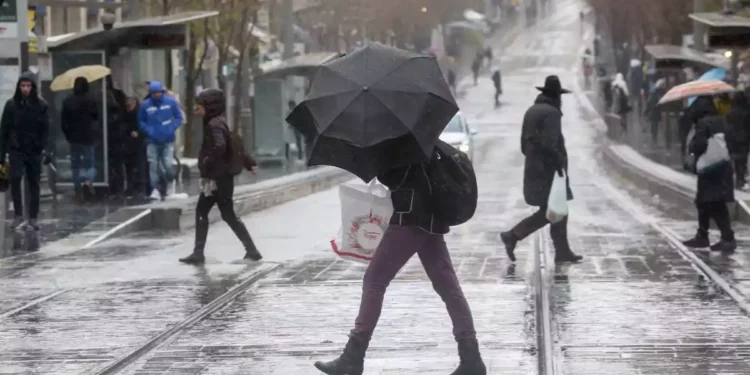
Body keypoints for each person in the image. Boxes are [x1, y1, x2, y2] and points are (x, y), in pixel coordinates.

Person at [313, 162, 487, 375]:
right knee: (449, 288)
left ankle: (353, 356)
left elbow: (397, 178)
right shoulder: (426, 143)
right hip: (431, 221)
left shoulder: (404, 147)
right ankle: (471, 358)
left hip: (409, 220)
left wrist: (380, 166)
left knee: (374, 281)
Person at [499, 76, 583, 264]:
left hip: (534, 170)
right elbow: (550, 144)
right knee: (554, 211)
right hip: (548, 172)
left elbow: (524, 145)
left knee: (557, 211)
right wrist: (559, 163)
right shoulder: (552, 114)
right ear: (556, 96)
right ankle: (513, 235)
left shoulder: (532, 111)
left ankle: (562, 252)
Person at [179, 88, 262, 264]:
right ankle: (200, 252)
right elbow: (235, 145)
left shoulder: (214, 124)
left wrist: (207, 161)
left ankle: (250, 251)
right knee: (218, 212)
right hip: (219, 177)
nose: (197, 110)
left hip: (218, 178)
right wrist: (249, 162)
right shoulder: (218, 121)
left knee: (217, 212)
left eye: (199, 106)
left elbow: (221, 145)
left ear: (209, 106)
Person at [682, 96, 736, 253]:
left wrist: (692, 146)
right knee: (705, 202)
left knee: (713, 203)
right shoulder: (722, 121)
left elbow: (700, 145)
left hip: (709, 169)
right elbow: (730, 142)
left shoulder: (702, 123)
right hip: (723, 166)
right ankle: (703, 235)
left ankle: (727, 238)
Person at [0, 72, 51, 230]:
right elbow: (4, 131)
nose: (25, 89)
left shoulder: (41, 106)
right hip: (16, 148)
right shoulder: (11, 105)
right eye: (23, 86)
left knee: (33, 182)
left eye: (28, 86)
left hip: (34, 149)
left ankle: (33, 217)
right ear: (18, 87)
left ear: (33, 87)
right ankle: (18, 214)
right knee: (15, 179)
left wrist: (46, 149)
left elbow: (46, 130)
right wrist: (1, 156)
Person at [138, 81, 183, 200]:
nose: (156, 95)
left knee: (167, 164)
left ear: (162, 92)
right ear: (151, 94)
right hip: (152, 140)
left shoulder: (170, 102)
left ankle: (170, 185)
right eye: (154, 93)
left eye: (158, 93)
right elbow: (141, 121)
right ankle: (156, 189)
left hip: (167, 139)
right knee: (153, 165)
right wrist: (149, 131)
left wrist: (171, 128)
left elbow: (179, 117)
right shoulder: (145, 105)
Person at [60, 77, 99, 202]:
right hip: (88, 137)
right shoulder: (91, 100)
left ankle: (78, 192)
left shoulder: (67, 101)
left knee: (75, 167)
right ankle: (88, 182)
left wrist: (69, 136)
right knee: (90, 165)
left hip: (74, 139)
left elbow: (63, 122)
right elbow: (96, 117)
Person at [122, 97, 148, 198]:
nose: (128, 107)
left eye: (129, 105)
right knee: (133, 166)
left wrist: (138, 133)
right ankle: (135, 188)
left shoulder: (138, 114)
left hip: (137, 143)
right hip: (131, 143)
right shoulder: (130, 115)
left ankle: (139, 188)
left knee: (138, 165)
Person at [726, 91, 750, 189]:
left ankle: (737, 179)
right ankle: (740, 179)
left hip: (732, 138)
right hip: (743, 138)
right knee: (742, 159)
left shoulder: (730, 112)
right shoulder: (746, 112)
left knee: (735, 158)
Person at [644, 78, 667, 145]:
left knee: (655, 127)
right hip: (656, 113)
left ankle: (655, 140)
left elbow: (649, 103)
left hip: (654, 113)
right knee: (656, 127)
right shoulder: (658, 94)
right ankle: (656, 140)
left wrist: (646, 111)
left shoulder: (654, 94)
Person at [611, 73, 631, 137]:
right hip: (623, 103)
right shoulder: (623, 83)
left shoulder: (613, 83)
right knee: (623, 115)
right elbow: (627, 93)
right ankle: (624, 129)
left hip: (616, 103)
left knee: (616, 114)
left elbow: (612, 92)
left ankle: (616, 128)